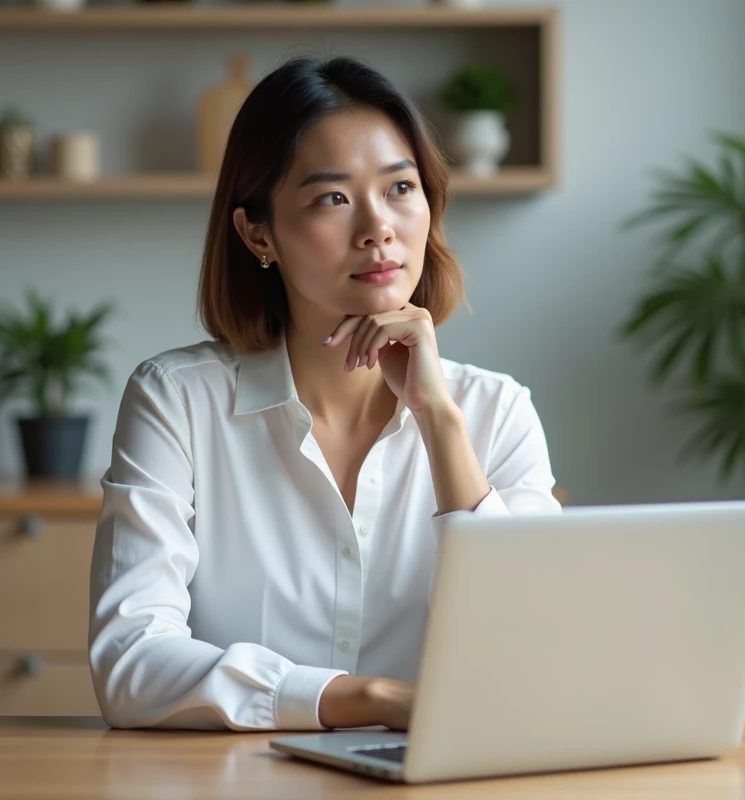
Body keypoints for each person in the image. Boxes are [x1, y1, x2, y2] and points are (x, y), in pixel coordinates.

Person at [88, 56, 561, 733]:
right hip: (237, 776)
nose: (378, 228)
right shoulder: (177, 402)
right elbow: (131, 663)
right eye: (332, 198)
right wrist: (374, 700)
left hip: (441, 776)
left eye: (401, 187)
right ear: (259, 233)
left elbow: (534, 656)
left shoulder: (496, 412)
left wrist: (438, 421)